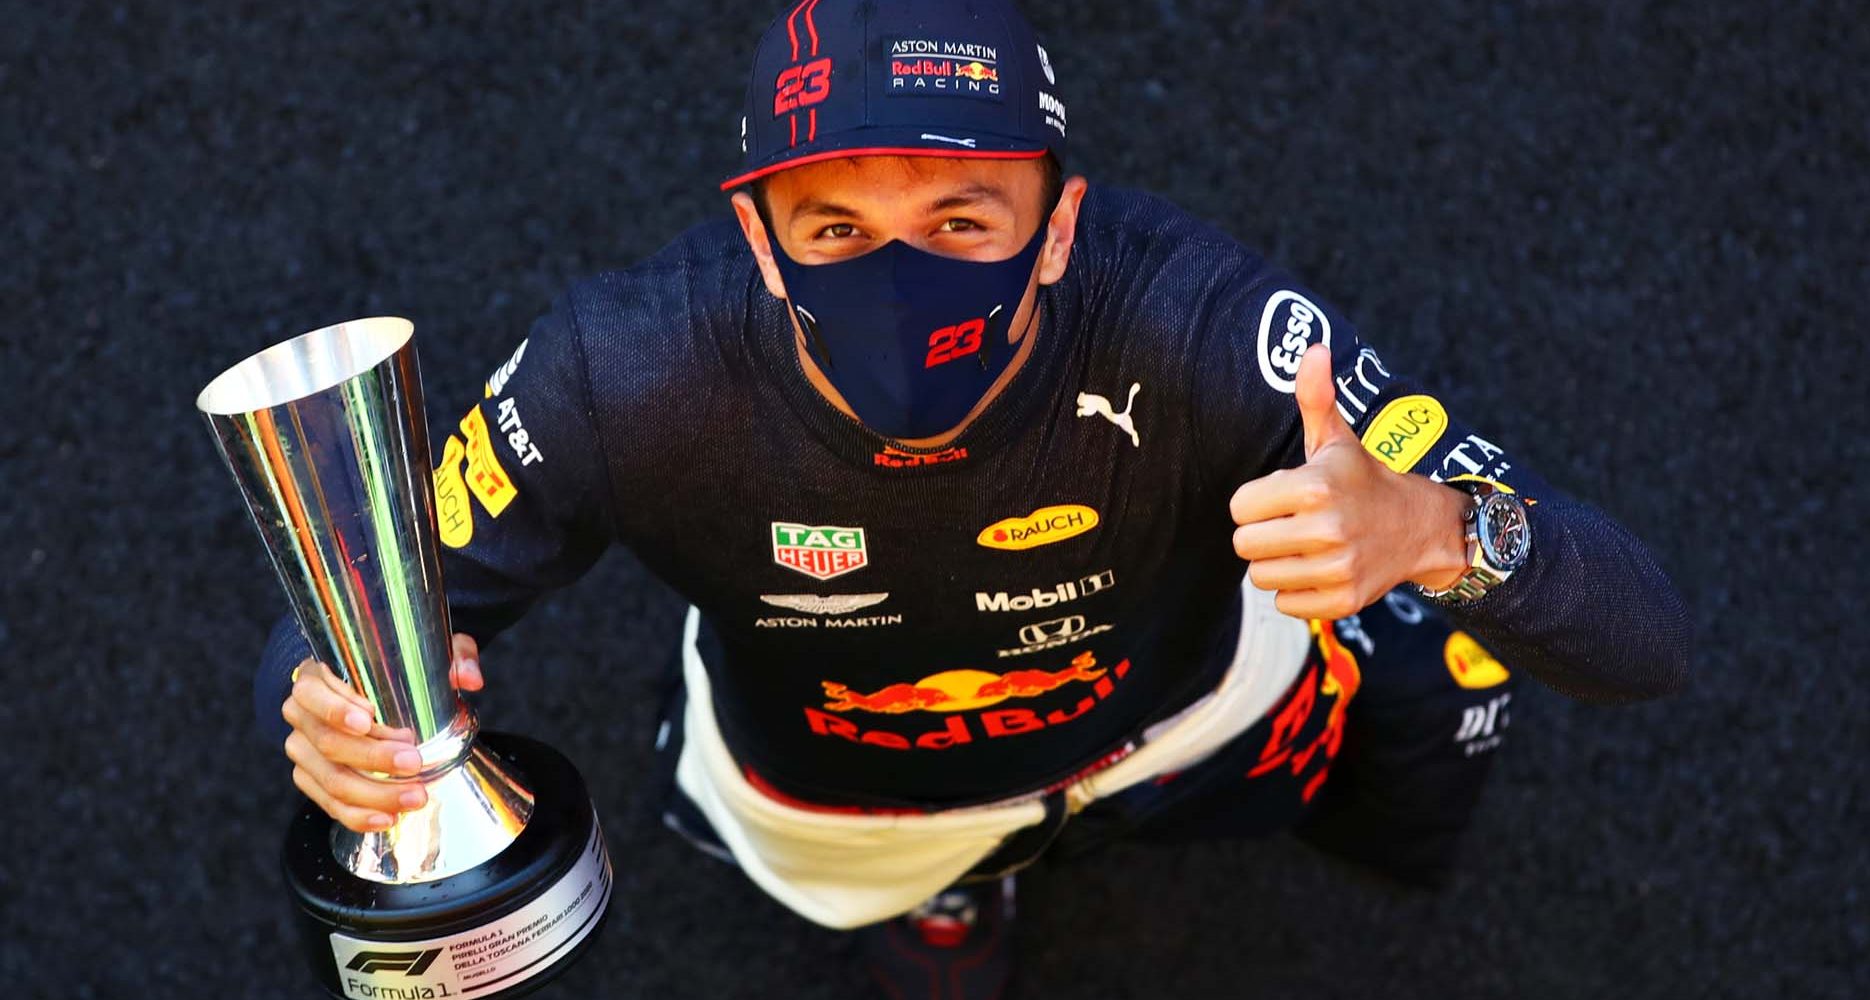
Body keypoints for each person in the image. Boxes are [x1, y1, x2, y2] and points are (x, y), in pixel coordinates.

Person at [257, 1, 1691, 995]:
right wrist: (333, 709)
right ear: (756, 241)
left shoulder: (1211, 323)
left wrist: (1441, 534)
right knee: (916, 895)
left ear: (1060, 223)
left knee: (1417, 713)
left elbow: (1644, 641)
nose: (899, 275)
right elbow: (355, 615)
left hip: (1186, 718)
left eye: (959, 218)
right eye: (835, 227)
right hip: (852, 807)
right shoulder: (616, 371)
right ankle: (950, 897)